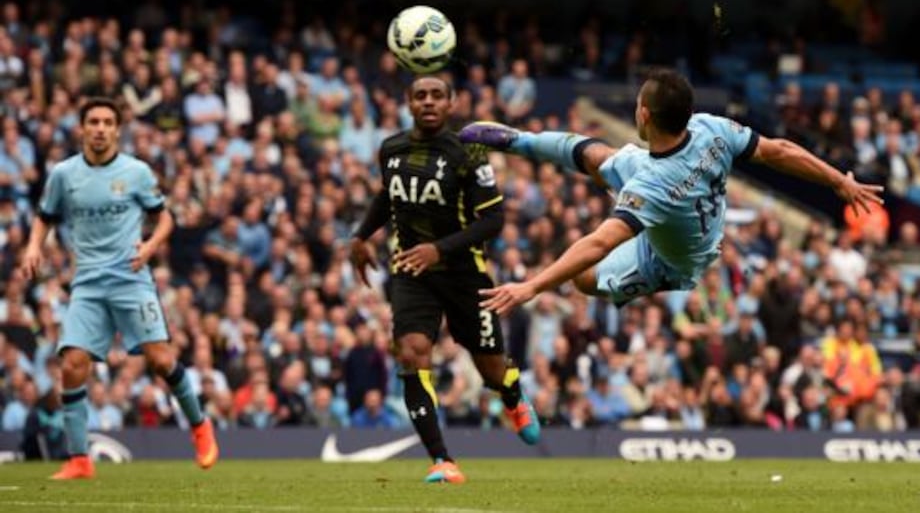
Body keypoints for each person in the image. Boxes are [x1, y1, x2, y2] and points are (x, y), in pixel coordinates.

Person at [459, 69, 883, 314]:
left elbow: (599, 242)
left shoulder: (652, 187)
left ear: (644, 114)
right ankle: (517, 140)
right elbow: (780, 150)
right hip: (673, 194)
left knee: (584, 279)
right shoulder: (710, 128)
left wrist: (531, 286)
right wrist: (838, 180)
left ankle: (523, 143)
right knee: (598, 157)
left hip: (671, 262)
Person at [348, 76, 540, 485]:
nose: (429, 102)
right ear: (408, 103)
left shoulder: (468, 153)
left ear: (451, 104)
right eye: (421, 96)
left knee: (491, 370)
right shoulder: (392, 149)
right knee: (412, 352)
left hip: (465, 274)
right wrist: (362, 235)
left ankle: (512, 395)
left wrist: (440, 248)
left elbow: (493, 219)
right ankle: (441, 460)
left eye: (438, 96)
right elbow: (389, 196)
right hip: (412, 271)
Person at [20, 98, 219, 480]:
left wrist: (149, 247)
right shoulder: (64, 174)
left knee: (161, 360)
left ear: (117, 129)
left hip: (131, 278)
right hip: (88, 282)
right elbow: (44, 218)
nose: (99, 128)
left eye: (107, 122)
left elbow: (165, 220)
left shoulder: (137, 172)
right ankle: (80, 459)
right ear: (81, 128)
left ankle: (200, 426)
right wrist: (33, 247)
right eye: (93, 121)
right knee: (72, 364)